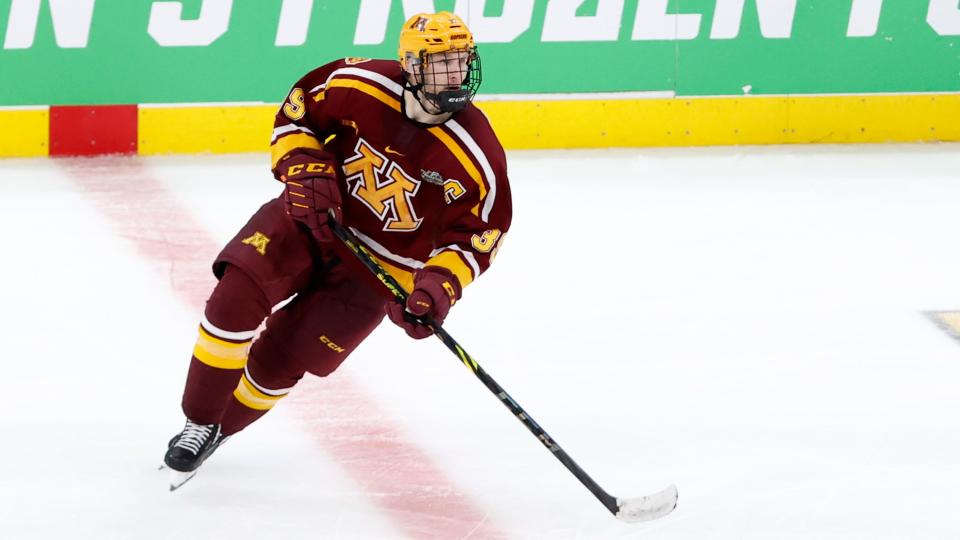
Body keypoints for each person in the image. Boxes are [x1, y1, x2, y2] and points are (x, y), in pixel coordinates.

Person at [162, 11, 512, 487]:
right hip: (312, 218)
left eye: (461, 62)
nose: (455, 75)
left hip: (379, 270)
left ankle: (221, 429)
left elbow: (476, 240)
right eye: (441, 63)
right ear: (411, 65)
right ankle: (199, 419)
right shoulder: (358, 82)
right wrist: (303, 166)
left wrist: (437, 286)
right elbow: (297, 114)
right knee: (235, 297)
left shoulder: (478, 155)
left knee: (287, 358)